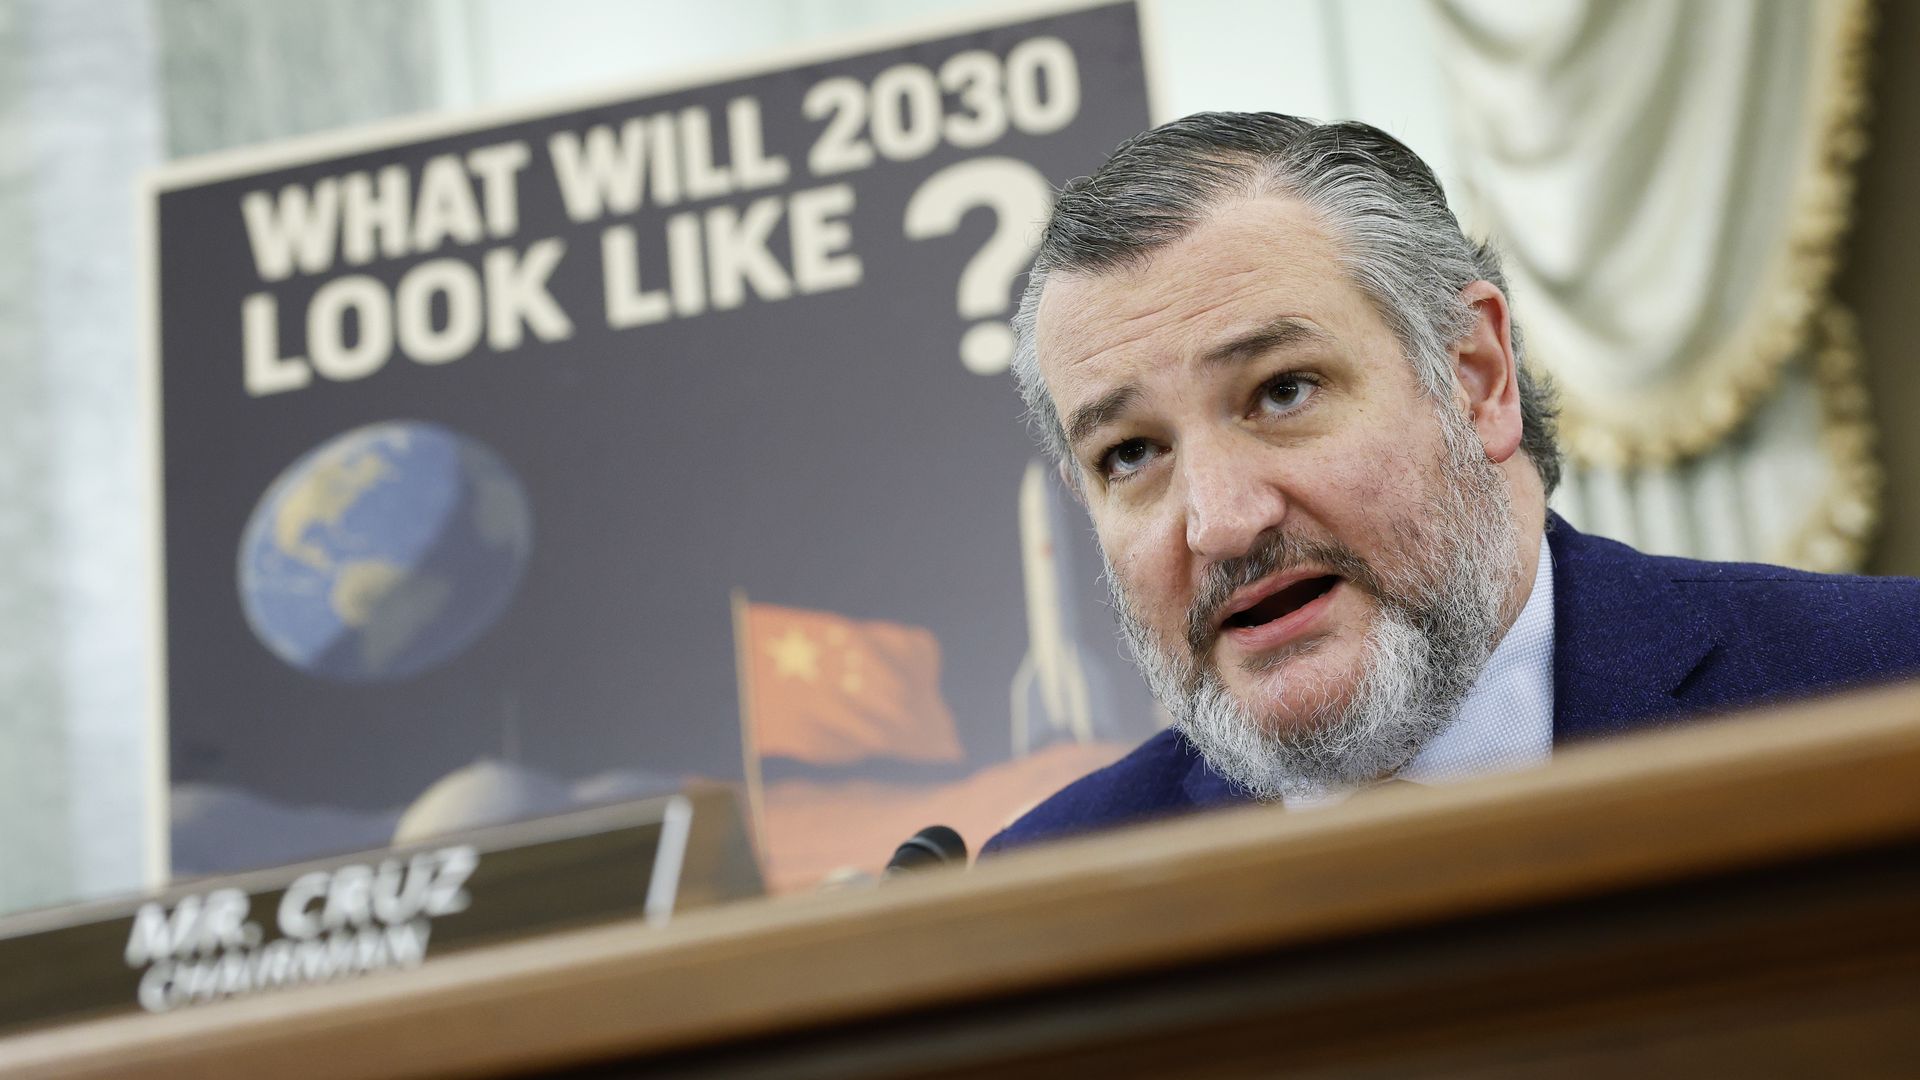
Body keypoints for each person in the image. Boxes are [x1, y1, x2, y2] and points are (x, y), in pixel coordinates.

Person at [983, 112, 1920, 855]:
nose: (1223, 523)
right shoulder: (1047, 882)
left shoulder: (1884, 687)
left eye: (1282, 391)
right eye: (1131, 455)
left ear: (1476, 376)